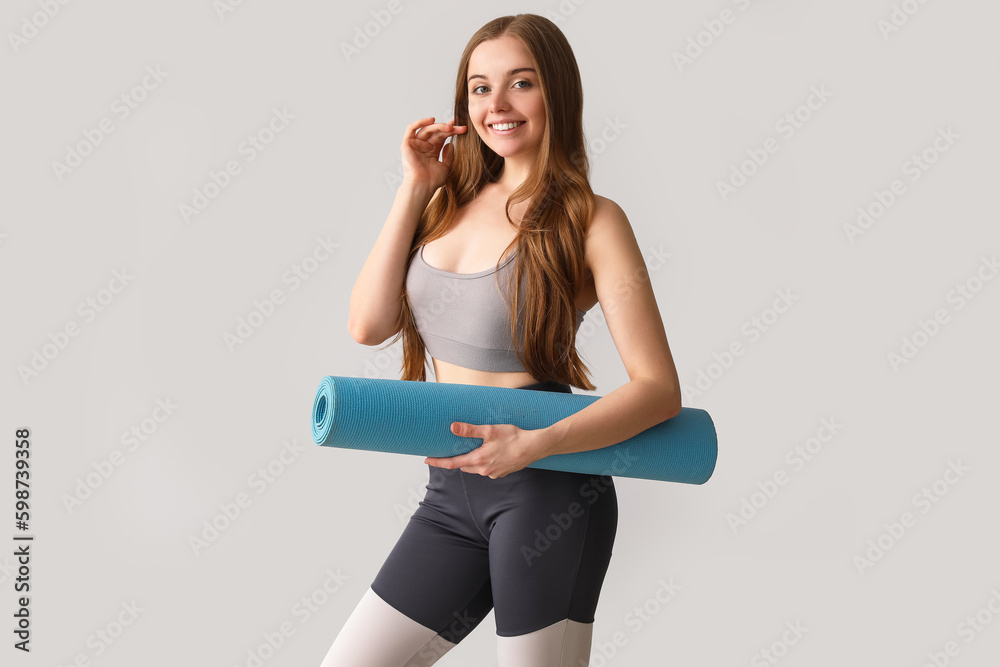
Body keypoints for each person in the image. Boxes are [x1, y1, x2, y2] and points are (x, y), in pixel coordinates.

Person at [321, 13, 681, 667]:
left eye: (521, 83)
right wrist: (414, 185)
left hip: (549, 489)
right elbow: (368, 324)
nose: (498, 105)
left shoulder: (591, 220)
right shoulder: (441, 204)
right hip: (449, 494)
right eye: (480, 88)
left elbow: (658, 390)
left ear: (557, 94)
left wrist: (538, 443)